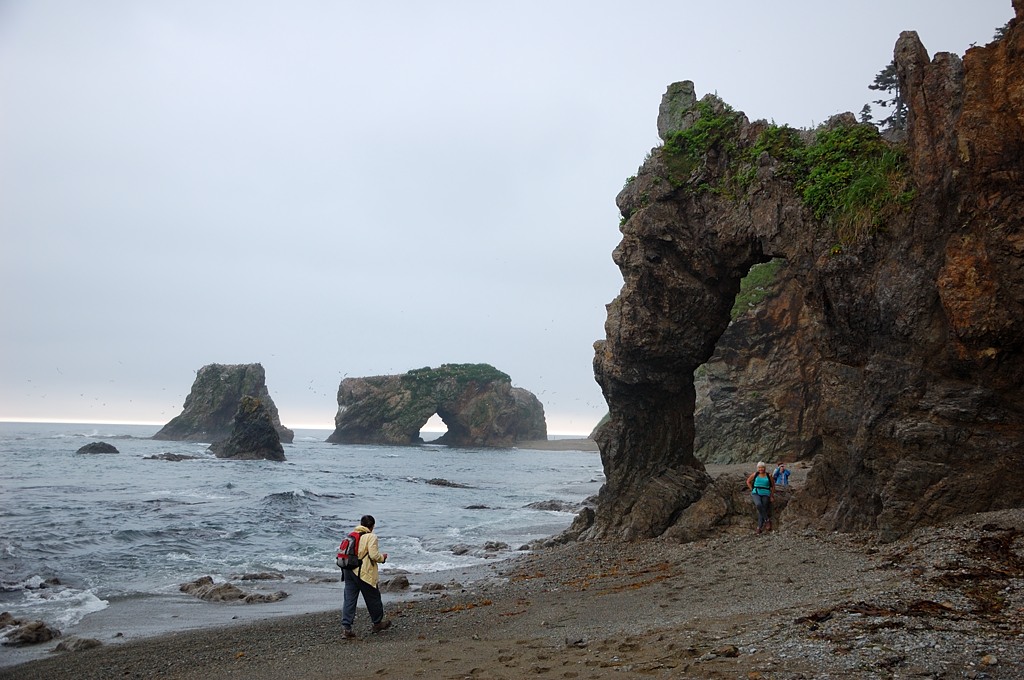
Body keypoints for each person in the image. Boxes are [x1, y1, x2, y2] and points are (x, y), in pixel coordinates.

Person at [341, 514, 392, 638]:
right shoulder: (371, 536)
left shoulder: (351, 535)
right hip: (362, 572)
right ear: (372, 526)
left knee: (349, 599)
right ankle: (377, 623)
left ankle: (346, 628)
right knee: (373, 598)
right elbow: (374, 556)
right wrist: (383, 558)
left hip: (348, 570)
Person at [746, 461, 775, 534]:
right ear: (757, 468)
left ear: (764, 468)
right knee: (758, 505)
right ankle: (767, 520)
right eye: (759, 467)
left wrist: (771, 496)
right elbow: (748, 481)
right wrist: (752, 489)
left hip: (766, 493)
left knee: (763, 509)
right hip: (756, 493)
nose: (760, 469)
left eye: (762, 467)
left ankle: (759, 527)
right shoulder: (755, 474)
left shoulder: (769, 476)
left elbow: (773, 486)